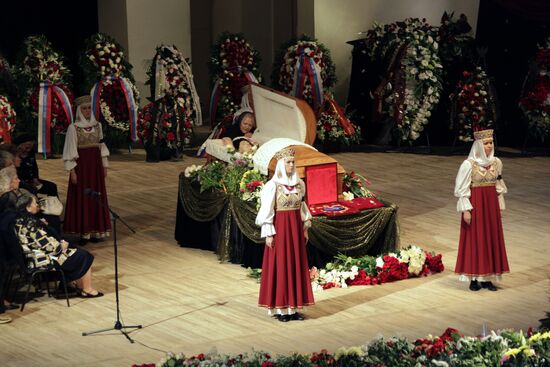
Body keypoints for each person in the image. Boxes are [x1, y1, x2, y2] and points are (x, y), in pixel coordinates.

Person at [255, 147, 314, 321]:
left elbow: (302, 208)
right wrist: (269, 234)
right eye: (287, 162)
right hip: (280, 230)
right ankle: (281, 309)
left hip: (295, 230)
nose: (291, 165)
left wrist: (305, 228)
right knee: (281, 265)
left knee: (295, 264)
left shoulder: (299, 185)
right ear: (281, 165)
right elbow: (267, 211)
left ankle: (294, 308)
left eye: (292, 162)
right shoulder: (272, 186)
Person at [14, 192, 103, 298]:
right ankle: (86, 289)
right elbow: (50, 247)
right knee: (84, 256)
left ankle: (70, 285)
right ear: (28, 207)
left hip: (33, 256)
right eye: (35, 203)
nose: (37, 205)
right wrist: (62, 246)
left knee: (75, 251)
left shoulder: (19, 220)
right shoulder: (30, 224)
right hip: (42, 259)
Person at [454, 129, 510, 291]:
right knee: (475, 239)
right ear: (478, 145)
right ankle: (473, 278)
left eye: (490, 142)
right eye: (485, 143)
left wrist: (499, 206)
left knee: (490, 239)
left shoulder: (496, 163)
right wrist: (466, 210)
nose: (489, 145)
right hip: (476, 206)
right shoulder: (468, 165)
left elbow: (498, 186)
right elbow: (462, 189)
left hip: (491, 207)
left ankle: (487, 278)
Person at [62, 95, 111, 243]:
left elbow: (101, 146)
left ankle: (95, 231)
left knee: (96, 197)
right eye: (84, 108)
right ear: (79, 110)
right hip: (82, 169)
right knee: (82, 197)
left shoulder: (97, 126)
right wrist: (72, 171)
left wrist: (104, 165)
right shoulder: (73, 128)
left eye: (89, 108)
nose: (87, 111)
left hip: (95, 168)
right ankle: (83, 232)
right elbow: (70, 151)